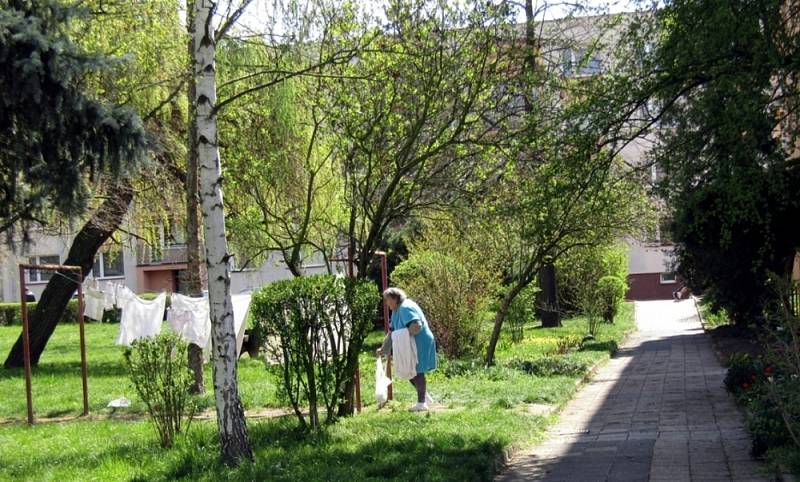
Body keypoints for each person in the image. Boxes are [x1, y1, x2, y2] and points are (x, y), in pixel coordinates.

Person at [377, 287, 437, 412]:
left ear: (395, 298)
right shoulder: (396, 310)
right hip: (410, 343)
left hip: (420, 342)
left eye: (388, 300)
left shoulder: (405, 307)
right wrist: (383, 349)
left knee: (416, 371)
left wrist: (402, 337)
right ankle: (424, 396)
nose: (386, 304)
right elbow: (392, 331)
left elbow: (416, 326)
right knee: (408, 370)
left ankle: (421, 403)